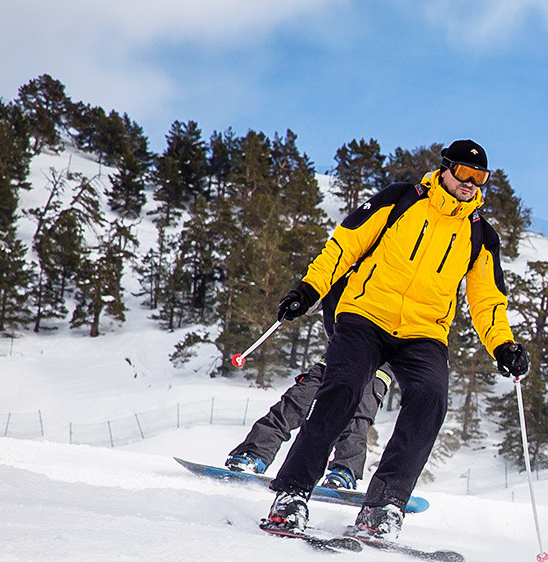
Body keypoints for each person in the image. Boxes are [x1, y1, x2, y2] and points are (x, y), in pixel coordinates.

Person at [260, 138, 530, 540]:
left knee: (430, 398)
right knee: (344, 387)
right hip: (365, 315)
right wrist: (307, 290)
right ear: (445, 169)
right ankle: (292, 494)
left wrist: (503, 345)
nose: (471, 183)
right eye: (465, 173)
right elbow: (344, 246)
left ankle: (384, 504)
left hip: (423, 332)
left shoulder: (480, 235)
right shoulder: (400, 199)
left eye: (480, 177)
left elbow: (487, 299)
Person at [224, 299, 394, 492]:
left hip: (378, 366)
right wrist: (301, 299)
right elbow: (319, 296)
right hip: (337, 357)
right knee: (296, 401)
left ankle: (344, 471)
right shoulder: (355, 275)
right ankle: (253, 454)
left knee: (357, 416)